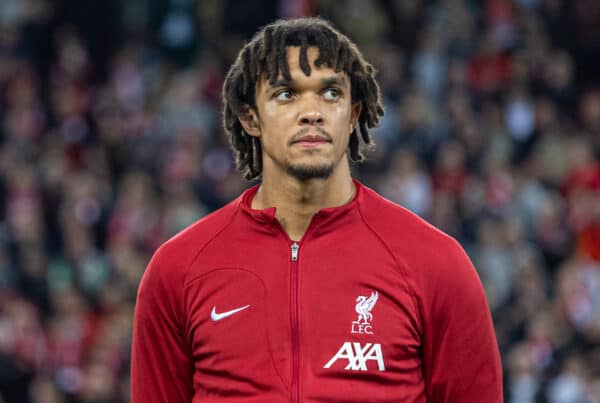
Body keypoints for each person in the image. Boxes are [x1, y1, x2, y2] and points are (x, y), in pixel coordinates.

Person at [131, 17, 503, 402]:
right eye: (286, 94)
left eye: (329, 93)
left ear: (353, 113)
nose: (311, 112)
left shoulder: (436, 264)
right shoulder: (176, 271)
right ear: (250, 118)